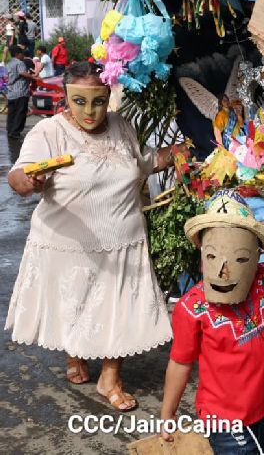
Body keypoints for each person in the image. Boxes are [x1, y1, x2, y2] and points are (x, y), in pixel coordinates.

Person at [5, 62, 184, 411]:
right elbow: (18, 175)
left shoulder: (121, 126)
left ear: (108, 97)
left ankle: (110, 377)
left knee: (120, 310)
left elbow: (144, 162)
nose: (91, 111)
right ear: (66, 97)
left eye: (99, 101)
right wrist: (30, 181)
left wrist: (181, 151)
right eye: (81, 101)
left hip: (124, 243)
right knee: (76, 306)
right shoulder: (49, 132)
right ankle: (76, 353)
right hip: (68, 245)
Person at [160, 189, 264, 454]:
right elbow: (180, 362)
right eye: (214, 255)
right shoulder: (191, 308)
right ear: (202, 249)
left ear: (256, 251)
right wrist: (168, 413)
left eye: (240, 257)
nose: (225, 268)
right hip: (223, 419)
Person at [4, 45, 36, 139]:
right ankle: (15, 133)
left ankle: (10, 130)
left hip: (11, 92)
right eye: (22, 54)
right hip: (20, 92)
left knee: (12, 113)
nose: (23, 56)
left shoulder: (9, 63)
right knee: (20, 113)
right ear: (18, 54)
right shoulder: (19, 63)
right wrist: (33, 77)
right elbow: (22, 73)